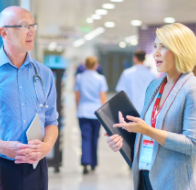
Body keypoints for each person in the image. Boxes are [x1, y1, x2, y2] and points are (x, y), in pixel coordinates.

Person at [0, 6, 58, 190]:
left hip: (36, 167)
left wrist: (46, 147)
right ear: (4, 32)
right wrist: (1, 146)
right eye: (24, 25)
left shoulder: (44, 74)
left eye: (33, 25)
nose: (31, 31)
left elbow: (51, 121)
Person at [106, 23, 196, 190]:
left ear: (181, 50)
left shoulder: (191, 89)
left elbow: (192, 145)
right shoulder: (154, 86)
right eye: (155, 46)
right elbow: (148, 130)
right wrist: (123, 136)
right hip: (144, 174)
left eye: (164, 47)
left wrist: (148, 130)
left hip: (173, 181)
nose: (155, 53)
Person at [74, 56, 108, 174]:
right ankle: (93, 163)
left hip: (83, 112)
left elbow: (77, 96)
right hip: (96, 112)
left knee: (85, 137)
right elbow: (102, 97)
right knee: (94, 137)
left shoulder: (79, 77)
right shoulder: (100, 79)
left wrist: (78, 108)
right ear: (96, 65)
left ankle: (85, 162)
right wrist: (105, 114)